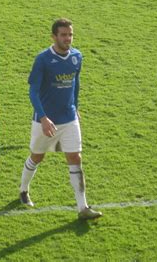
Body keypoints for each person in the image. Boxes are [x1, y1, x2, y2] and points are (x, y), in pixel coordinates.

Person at [19, 18, 102, 220]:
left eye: (70, 34)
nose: (68, 38)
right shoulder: (43, 59)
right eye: (63, 35)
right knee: (37, 156)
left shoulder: (77, 57)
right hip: (45, 121)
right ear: (54, 37)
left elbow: (76, 83)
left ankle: (82, 207)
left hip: (69, 117)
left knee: (75, 158)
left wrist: (76, 107)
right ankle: (23, 190)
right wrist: (43, 117)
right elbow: (33, 92)